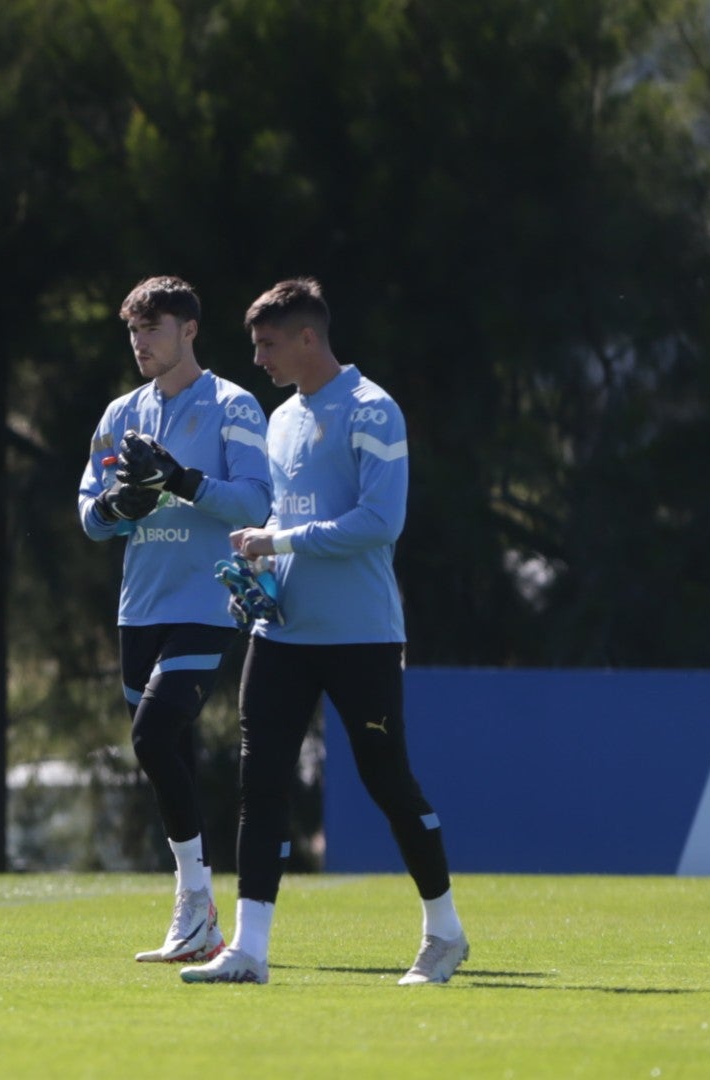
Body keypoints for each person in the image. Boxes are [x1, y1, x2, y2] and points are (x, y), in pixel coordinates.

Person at [181, 278, 467, 986]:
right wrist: (260, 569)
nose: (259, 359)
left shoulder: (373, 410)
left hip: (361, 633)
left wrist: (280, 542)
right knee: (262, 781)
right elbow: (283, 523)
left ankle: (445, 931)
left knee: (386, 779)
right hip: (283, 634)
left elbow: (380, 523)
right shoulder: (279, 421)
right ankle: (248, 949)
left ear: (309, 337)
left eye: (268, 344)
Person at [77, 276, 272, 965]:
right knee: (170, 754)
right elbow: (90, 512)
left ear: (190, 329)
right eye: (133, 331)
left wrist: (181, 479)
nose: (140, 343)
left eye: (153, 329)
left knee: (154, 734)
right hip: (140, 608)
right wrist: (118, 508)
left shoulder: (233, 405)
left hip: (205, 604)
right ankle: (203, 925)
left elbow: (257, 498)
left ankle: (192, 903)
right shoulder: (119, 413)